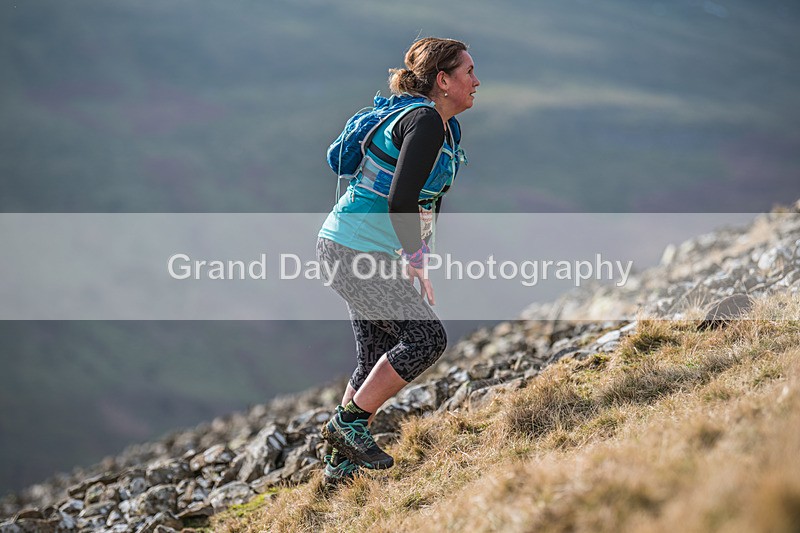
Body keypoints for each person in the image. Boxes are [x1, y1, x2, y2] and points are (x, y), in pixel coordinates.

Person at [316, 37, 480, 487]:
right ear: (443, 81)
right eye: (468, 72)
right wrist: (414, 254)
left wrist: (417, 258)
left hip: (360, 250)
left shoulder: (445, 129)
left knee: (371, 357)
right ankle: (347, 425)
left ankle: (338, 467)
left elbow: (425, 199)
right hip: (352, 251)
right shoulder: (424, 120)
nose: (476, 81)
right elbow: (400, 199)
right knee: (427, 338)